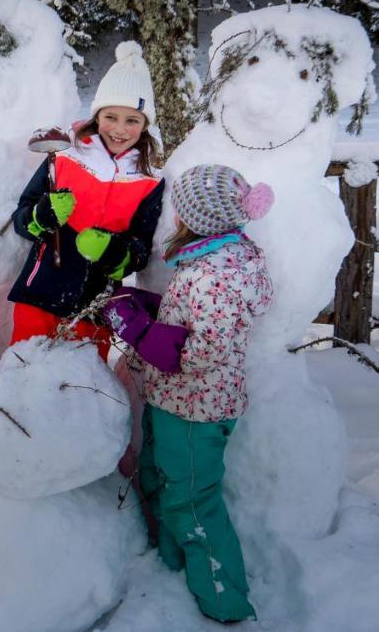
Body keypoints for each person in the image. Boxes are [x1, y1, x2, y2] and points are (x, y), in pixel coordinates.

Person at [101, 163, 275, 623]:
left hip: (196, 412)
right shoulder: (213, 258)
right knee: (162, 477)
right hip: (175, 402)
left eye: (180, 209)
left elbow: (202, 351)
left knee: (193, 503)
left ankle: (225, 602)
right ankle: (171, 562)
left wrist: (138, 331)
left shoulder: (218, 274)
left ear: (197, 217)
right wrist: (149, 308)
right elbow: (195, 320)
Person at [7, 41, 165, 359]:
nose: (120, 129)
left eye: (132, 120)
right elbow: (22, 214)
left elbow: (141, 250)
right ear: (97, 115)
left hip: (96, 305)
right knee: (22, 373)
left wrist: (113, 251)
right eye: (111, 117)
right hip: (40, 290)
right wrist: (42, 217)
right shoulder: (67, 154)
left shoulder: (150, 180)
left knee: (81, 390)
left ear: (146, 124)